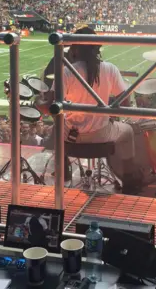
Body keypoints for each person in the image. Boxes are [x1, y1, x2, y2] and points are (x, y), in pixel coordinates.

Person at [37, 26, 143, 193]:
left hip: (70, 137)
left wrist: (38, 101)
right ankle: (129, 181)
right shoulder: (110, 69)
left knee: (59, 123)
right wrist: (109, 113)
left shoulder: (66, 71)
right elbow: (126, 105)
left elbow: (50, 108)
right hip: (102, 134)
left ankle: (63, 171)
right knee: (128, 131)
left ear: (75, 47)